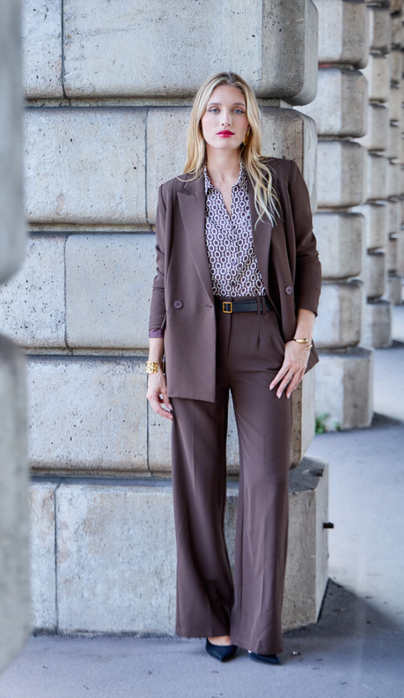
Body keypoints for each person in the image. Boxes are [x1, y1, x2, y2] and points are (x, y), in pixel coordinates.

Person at [146, 71, 322, 665]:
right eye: (215, 109)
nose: (226, 119)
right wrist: (154, 365)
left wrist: (300, 341)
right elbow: (163, 278)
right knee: (197, 486)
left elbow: (307, 257)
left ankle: (259, 627)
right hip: (193, 343)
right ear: (200, 120)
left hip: (263, 338)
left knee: (266, 482)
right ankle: (214, 621)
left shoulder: (279, 179)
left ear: (250, 122)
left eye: (237, 110)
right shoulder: (175, 193)